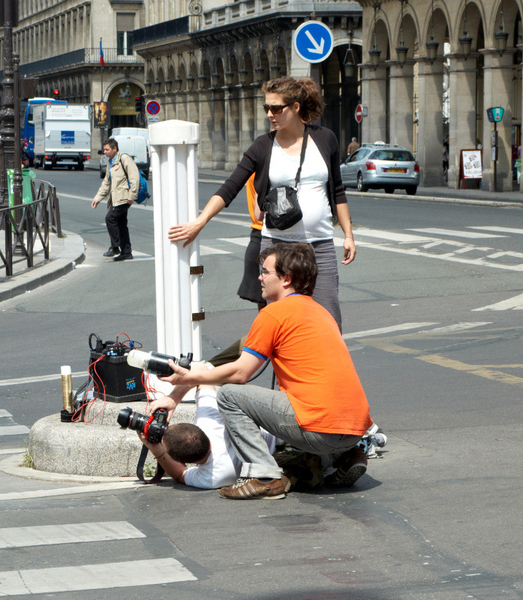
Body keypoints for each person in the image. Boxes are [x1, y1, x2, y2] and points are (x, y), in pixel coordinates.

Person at [152, 243, 373, 500]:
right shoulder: (320, 311)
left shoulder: (274, 314)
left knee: (230, 395)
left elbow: (240, 374)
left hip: (321, 428)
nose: (259, 277)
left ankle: (265, 476)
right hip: (356, 428)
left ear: (286, 279)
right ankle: (345, 455)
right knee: (288, 401)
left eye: (265, 272)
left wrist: (188, 377)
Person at [168, 76, 356, 330]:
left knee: (327, 320)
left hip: (319, 245)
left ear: (296, 107)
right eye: (266, 108)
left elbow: (337, 192)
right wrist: (199, 222)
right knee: (279, 325)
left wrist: (348, 235)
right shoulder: (263, 146)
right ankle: (281, 371)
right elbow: (230, 187)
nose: (270, 114)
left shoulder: (325, 139)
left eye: (277, 108)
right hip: (276, 247)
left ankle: (328, 369)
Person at [138, 385, 278, 489]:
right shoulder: (208, 422)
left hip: (277, 459)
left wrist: (155, 448)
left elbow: (181, 475)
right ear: (197, 428)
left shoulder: (214, 476)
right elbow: (201, 372)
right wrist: (173, 398)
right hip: (278, 428)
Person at [91, 137, 139, 261]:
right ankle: (127, 252)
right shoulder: (111, 163)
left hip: (124, 198)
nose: (105, 152)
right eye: (104, 150)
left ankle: (115, 246)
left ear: (114, 149)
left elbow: (134, 177)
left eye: (107, 149)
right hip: (115, 198)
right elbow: (106, 183)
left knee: (110, 218)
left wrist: (132, 195)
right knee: (121, 224)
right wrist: (97, 198)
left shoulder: (124, 158)